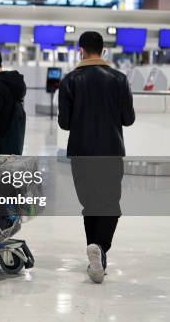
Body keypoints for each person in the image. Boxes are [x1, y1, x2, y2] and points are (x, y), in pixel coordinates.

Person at [58, 31, 135, 284]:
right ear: (103, 50)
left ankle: (96, 254)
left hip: (81, 151)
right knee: (110, 202)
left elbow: (65, 123)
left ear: (81, 50)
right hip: (111, 150)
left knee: (89, 203)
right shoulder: (119, 78)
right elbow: (128, 119)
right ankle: (100, 248)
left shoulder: (70, 80)